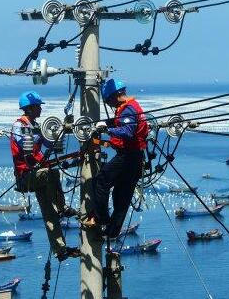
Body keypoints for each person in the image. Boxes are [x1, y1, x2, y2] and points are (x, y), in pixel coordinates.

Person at [10, 90, 79, 261]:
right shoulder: (20, 126)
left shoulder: (35, 127)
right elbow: (25, 144)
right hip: (26, 176)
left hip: (37, 175)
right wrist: (40, 133)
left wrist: (58, 131)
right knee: (52, 172)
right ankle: (62, 207)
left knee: (50, 214)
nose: (41, 110)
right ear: (31, 108)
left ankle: (60, 249)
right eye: (38, 107)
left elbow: (51, 144)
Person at [85, 79, 148, 238]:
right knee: (121, 195)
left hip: (128, 156)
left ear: (117, 95)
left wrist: (108, 129)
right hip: (136, 157)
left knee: (101, 181)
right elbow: (124, 125)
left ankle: (100, 219)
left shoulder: (128, 109)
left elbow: (127, 131)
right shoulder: (132, 107)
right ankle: (112, 231)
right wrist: (109, 124)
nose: (111, 105)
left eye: (110, 101)